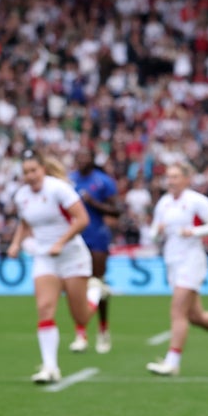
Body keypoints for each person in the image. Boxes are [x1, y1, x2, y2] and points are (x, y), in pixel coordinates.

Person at [145, 161, 208, 376]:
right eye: (168, 177)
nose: (170, 181)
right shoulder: (164, 203)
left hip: (191, 261)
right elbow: (153, 234)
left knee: (177, 311)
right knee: (195, 316)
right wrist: (159, 231)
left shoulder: (196, 201)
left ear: (186, 179)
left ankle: (172, 362)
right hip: (172, 262)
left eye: (175, 176)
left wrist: (194, 231)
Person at [7, 150, 93, 385]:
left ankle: (95, 295)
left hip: (72, 255)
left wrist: (61, 242)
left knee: (81, 316)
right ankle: (50, 366)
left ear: (43, 169)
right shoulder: (21, 196)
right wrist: (15, 244)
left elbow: (82, 219)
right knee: (45, 308)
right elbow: (25, 223)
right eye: (26, 172)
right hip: (45, 256)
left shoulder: (58, 189)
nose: (30, 175)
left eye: (33, 170)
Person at [71, 148, 122, 353]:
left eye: (85, 157)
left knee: (98, 285)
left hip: (97, 238)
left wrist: (94, 203)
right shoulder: (69, 181)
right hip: (75, 239)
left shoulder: (103, 181)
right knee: (77, 287)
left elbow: (116, 210)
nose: (81, 160)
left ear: (92, 160)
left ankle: (103, 330)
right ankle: (81, 333)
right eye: (79, 157)